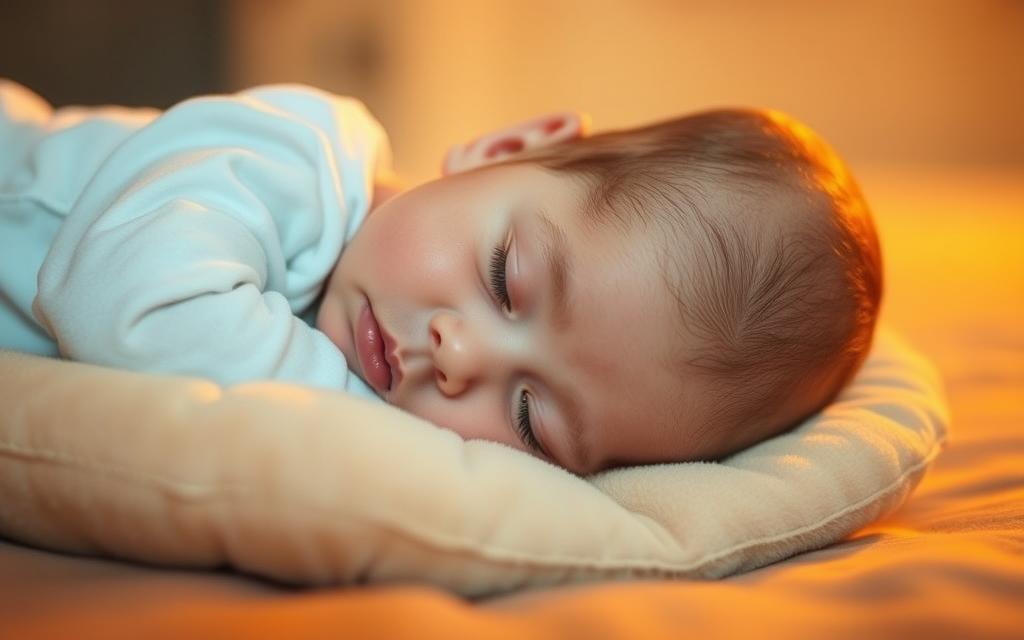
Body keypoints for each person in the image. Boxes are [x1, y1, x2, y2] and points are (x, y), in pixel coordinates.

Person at [0, 80, 881, 475]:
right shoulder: (292, 153)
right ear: (505, 150)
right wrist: (351, 420)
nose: (459, 357)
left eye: (531, 416)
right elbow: (122, 302)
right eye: (505, 279)